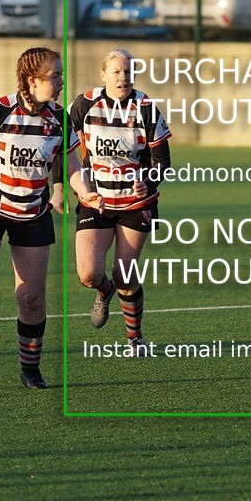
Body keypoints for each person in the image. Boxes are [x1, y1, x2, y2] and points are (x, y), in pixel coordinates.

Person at [0, 47, 101, 388]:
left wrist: (83, 191)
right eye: (55, 76)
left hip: (32, 212)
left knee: (30, 296)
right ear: (32, 81)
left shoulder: (60, 119)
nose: (61, 83)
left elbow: (72, 166)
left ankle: (30, 368)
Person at [68, 49, 172, 356]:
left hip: (135, 203)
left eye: (128, 72)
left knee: (123, 272)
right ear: (103, 75)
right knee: (88, 274)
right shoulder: (84, 104)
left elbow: (162, 161)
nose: (123, 78)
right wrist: (62, 185)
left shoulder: (146, 108)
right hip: (95, 200)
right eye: (116, 72)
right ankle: (103, 291)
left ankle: (134, 337)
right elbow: (61, 145)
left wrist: (148, 181)